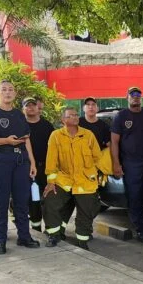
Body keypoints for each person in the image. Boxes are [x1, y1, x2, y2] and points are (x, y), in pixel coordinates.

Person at [0, 80, 41, 254]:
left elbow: (26, 138)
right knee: (0, 201)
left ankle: (24, 236)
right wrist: (5, 141)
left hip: (20, 160)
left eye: (11, 89)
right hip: (0, 159)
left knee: (22, 201)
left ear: (15, 93)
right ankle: (0, 239)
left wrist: (31, 161)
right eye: (4, 89)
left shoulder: (18, 114)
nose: (8, 92)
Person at [43, 107, 102, 250]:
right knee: (50, 201)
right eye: (71, 116)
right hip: (64, 179)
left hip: (85, 181)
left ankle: (82, 238)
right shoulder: (56, 135)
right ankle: (54, 234)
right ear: (63, 120)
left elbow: (97, 157)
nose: (75, 117)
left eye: (76, 115)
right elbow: (51, 160)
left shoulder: (88, 135)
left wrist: (94, 174)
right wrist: (51, 182)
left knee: (87, 209)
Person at [111, 86, 143, 242]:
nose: (135, 97)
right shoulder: (121, 116)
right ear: (127, 97)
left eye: (138, 94)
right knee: (135, 198)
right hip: (130, 164)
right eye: (132, 94)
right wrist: (116, 164)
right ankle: (140, 229)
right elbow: (114, 142)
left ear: (142, 98)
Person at [24, 97, 54, 232]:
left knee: (49, 199)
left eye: (33, 105)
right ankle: (36, 228)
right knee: (34, 199)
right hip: (29, 170)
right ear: (23, 109)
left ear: (38, 108)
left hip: (46, 169)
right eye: (27, 106)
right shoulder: (21, 126)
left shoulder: (47, 125)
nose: (31, 108)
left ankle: (50, 228)